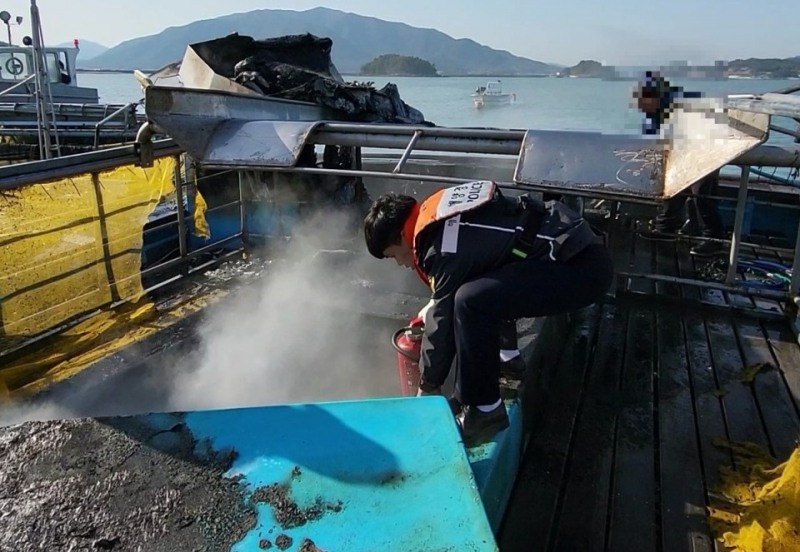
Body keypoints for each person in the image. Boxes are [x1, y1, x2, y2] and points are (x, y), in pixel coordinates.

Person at [364, 181, 614, 446]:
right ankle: (507, 359)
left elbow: (443, 320)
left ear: (401, 237)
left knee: (470, 301)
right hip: (576, 249)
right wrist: (437, 301)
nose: (402, 264)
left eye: (393, 256)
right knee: (478, 289)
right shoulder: (438, 216)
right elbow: (479, 261)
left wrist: (428, 386)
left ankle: (485, 411)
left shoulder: (439, 247)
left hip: (581, 268)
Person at [633, 71, 726, 256]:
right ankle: (665, 229)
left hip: (705, 155)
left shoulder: (686, 105)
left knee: (702, 198)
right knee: (673, 192)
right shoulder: (658, 110)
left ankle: (713, 240)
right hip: (681, 155)